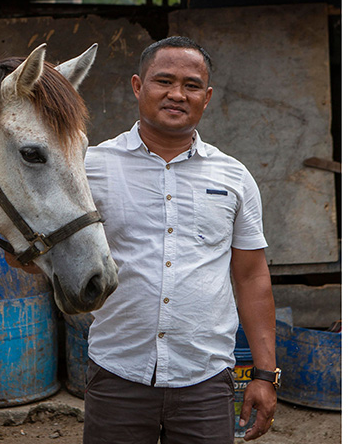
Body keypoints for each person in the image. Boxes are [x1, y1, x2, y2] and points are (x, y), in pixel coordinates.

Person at [78, 36, 278, 443]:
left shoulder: (233, 177)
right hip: (118, 374)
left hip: (204, 380)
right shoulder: (91, 168)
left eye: (190, 85)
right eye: (163, 81)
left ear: (206, 97)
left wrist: (264, 374)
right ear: (138, 86)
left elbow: (252, 277)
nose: (176, 94)